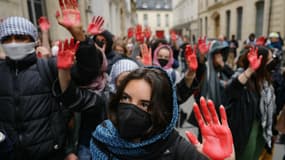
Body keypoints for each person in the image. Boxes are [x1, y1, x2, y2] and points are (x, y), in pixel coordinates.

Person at [89, 67, 234, 160]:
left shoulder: (177, 149)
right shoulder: (103, 138)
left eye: (144, 104)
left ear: (161, 110)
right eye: (126, 98)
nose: (130, 110)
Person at [0, 16, 73, 159]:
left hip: (49, 154)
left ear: (33, 41)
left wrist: (69, 150)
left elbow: (71, 101)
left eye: (21, 38)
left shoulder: (48, 67)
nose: (13, 43)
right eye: (7, 39)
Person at [224, 46, 276, 159]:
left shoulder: (265, 80)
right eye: (269, 59)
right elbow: (231, 90)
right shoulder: (243, 76)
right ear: (261, 62)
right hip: (245, 130)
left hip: (260, 129)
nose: (273, 62)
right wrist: (250, 70)